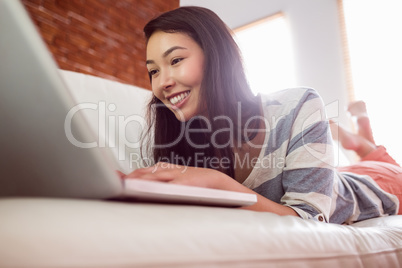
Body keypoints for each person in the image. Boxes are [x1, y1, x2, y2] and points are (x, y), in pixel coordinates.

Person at [120, 6, 401, 224]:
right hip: (333, 176)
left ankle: (359, 127)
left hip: (383, 182)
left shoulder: (299, 103)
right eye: (153, 71)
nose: (162, 82)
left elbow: (310, 221)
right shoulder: (179, 138)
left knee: (370, 151)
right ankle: (344, 136)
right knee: (352, 155)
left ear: (217, 56)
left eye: (176, 60)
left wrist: (219, 184)